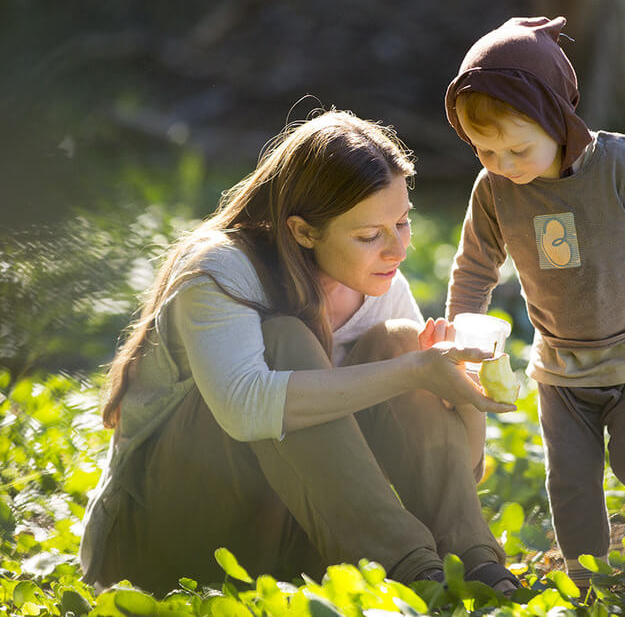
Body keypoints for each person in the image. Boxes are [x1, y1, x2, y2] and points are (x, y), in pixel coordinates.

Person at [78, 108, 523, 596]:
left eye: (402, 222)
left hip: (299, 531)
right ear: (303, 231)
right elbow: (247, 410)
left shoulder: (378, 285)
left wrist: (467, 399)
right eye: (370, 235)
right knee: (286, 340)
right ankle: (411, 572)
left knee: (397, 339)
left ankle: (475, 566)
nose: (397, 250)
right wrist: (413, 371)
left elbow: (463, 466)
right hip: (164, 544)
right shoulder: (222, 271)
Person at [442, 17, 625, 586]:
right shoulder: (495, 191)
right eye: (486, 151)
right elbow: (476, 264)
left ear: (557, 118)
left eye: (517, 148)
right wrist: (462, 333)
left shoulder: (617, 164)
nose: (503, 164)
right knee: (569, 477)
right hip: (562, 360)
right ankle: (587, 573)